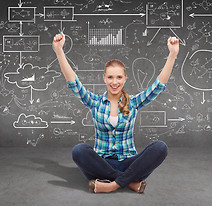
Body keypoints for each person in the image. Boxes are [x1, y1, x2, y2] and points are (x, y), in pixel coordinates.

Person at [53, 32, 179, 193]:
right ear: (104, 78)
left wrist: (172, 55)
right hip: (101, 164)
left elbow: (158, 86)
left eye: (119, 77)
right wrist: (59, 50)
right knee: (79, 150)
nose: (114, 82)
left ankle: (111, 185)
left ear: (125, 78)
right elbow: (73, 83)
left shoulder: (133, 102)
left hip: (130, 163)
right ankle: (129, 182)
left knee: (160, 147)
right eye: (110, 77)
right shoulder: (95, 102)